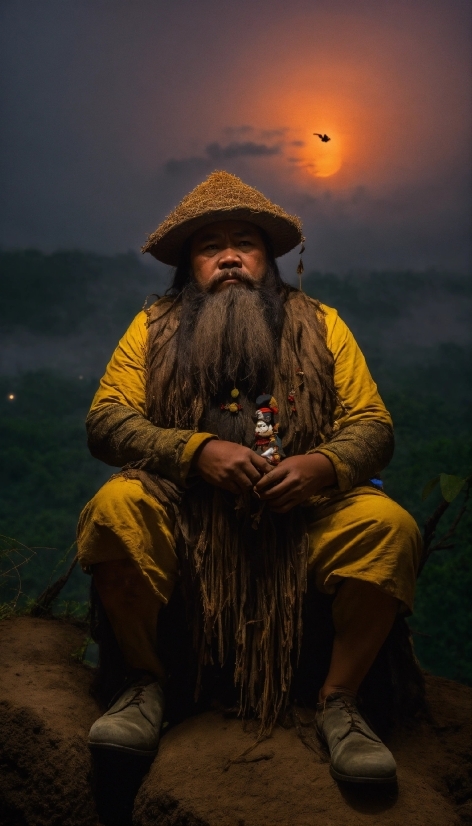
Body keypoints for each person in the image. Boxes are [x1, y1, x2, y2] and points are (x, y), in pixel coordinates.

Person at [77, 170, 422, 784]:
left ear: (268, 257)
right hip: (185, 518)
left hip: (302, 523)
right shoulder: (151, 328)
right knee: (116, 508)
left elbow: (373, 425)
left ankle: (340, 701)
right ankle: (144, 684)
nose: (229, 256)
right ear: (190, 264)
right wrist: (193, 451)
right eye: (211, 246)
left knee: (385, 525)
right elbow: (106, 421)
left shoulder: (322, 324)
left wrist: (323, 466)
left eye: (245, 242)